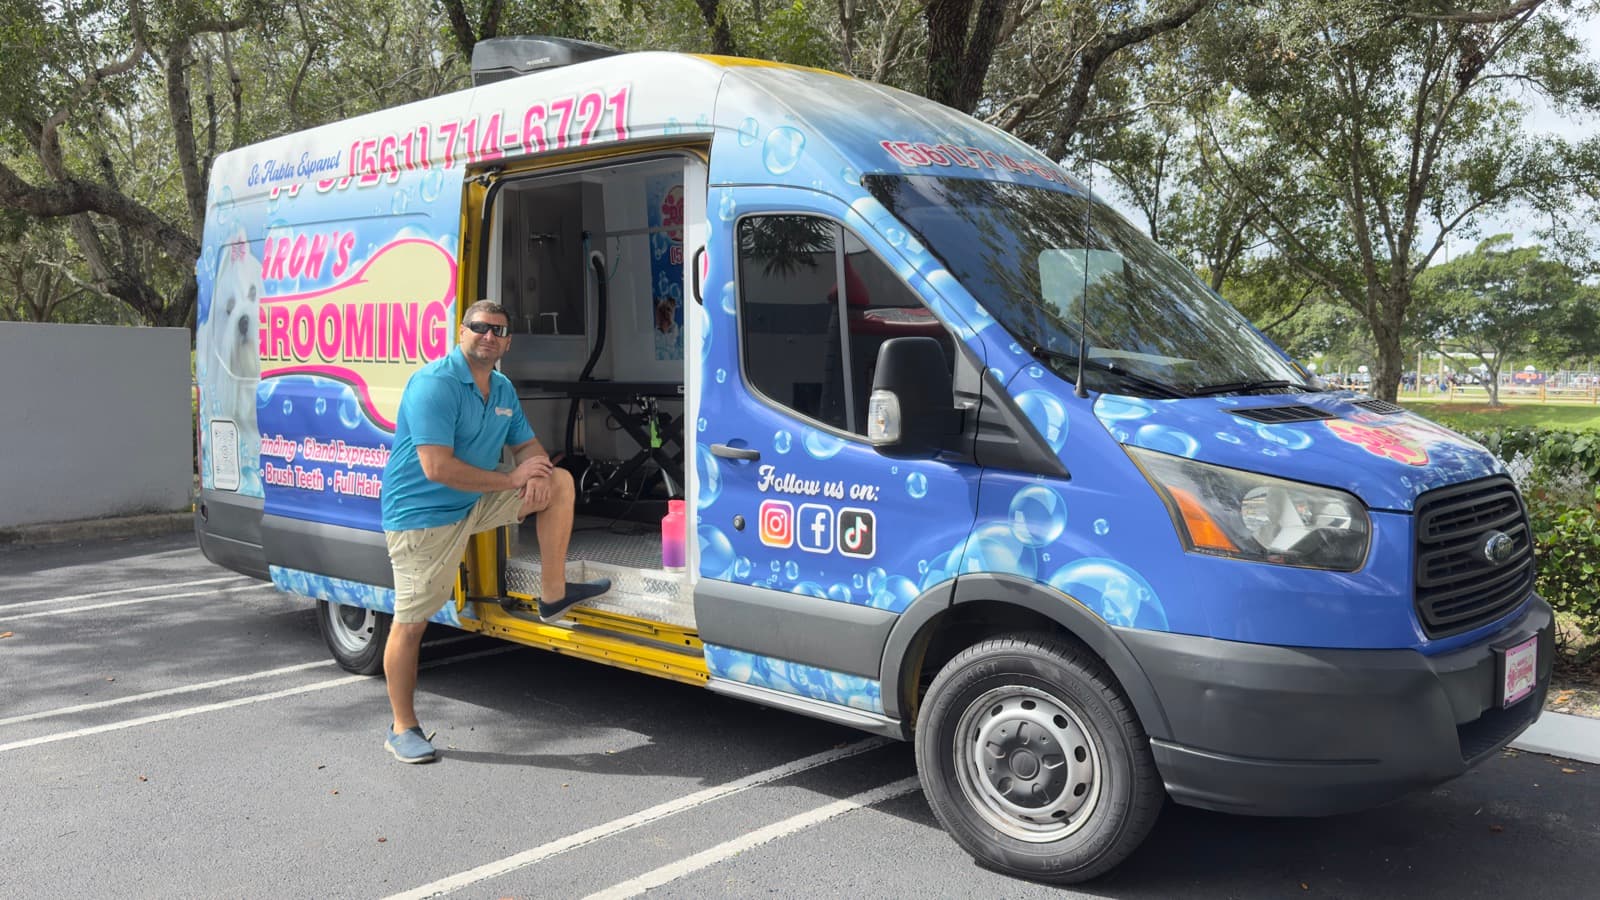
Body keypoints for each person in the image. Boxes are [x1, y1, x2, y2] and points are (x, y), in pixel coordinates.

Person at [378, 300, 610, 763]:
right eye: (480, 327)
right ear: (461, 331)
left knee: (560, 483)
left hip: (474, 500)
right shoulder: (434, 385)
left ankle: (552, 593)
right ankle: (402, 726)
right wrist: (512, 480)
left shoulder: (501, 388)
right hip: (423, 516)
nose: (490, 336)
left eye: (500, 331)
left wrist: (538, 472)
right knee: (412, 622)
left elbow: (526, 445)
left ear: (507, 342)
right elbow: (437, 467)